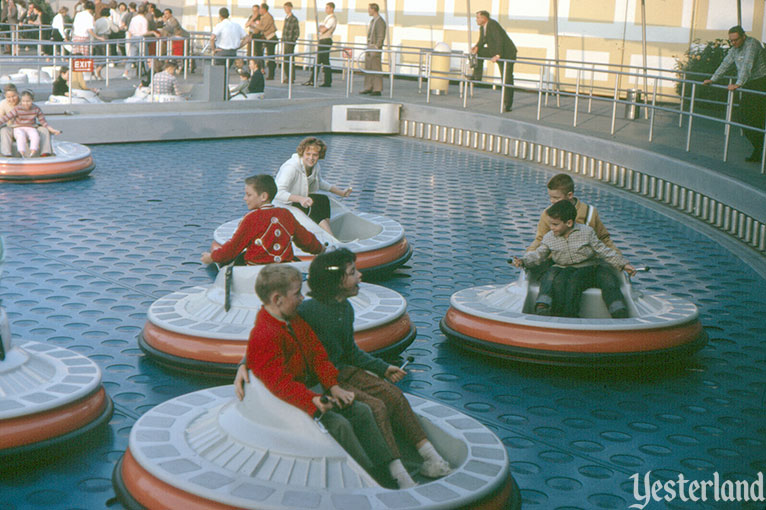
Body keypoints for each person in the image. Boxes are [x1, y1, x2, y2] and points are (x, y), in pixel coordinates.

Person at [235, 248, 453, 480]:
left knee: (393, 396)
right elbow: (265, 349)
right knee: (372, 408)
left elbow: (339, 352)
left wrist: (381, 368)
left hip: (336, 374)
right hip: (318, 384)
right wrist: (244, 363)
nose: (360, 276)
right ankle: (389, 473)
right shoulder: (306, 311)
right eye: (352, 272)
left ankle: (429, 456)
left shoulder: (337, 310)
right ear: (337, 281)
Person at [513, 200, 637, 318]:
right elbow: (539, 254)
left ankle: (618, 310)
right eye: (550, 224)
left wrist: (623, 264)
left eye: (555, 224)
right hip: (563, 268)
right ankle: (544, 306)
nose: (551, 227)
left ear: (569, 223)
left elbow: (603, 250)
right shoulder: (549, 237)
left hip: (588, 267)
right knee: (553, 277)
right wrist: (524, 261)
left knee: (607, 278)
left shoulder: (586, 232)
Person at [201, 174, 324, 266]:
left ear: (264, 196)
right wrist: (320, 249)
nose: (245, 198)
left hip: (257, 271)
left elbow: (233, 247)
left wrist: (212, 257)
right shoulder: (286, 214)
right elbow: (305, 239)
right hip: (284, 267)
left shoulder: (251, 218)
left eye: (249, 195)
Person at [703, 26, 766, 163]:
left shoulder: (752, 45)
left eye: (736, 40)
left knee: (755, 120)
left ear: (743, 36)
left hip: (760, 83)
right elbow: (725, 64)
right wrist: (713, 78)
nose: (733, 43)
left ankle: (761, 152)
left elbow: (746, 66)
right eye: (731, 41)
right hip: (749, 84)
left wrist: (738, 83)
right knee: (744, 119)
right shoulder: (735, 48)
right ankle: (760, 149)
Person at [274, 136, 352, 236]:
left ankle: (325, 233)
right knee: (312, 206)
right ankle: (331, 237)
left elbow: (319, 183)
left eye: (315, 155)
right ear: (302, 153)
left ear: (319, 155)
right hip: (285, 204)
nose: (311, 158)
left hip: (300, 199)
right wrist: (301, 199)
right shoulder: (291, 167)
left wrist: (340, 192)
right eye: (308, 154)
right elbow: (277, 192)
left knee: (323, 199)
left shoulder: (315, 166)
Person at [527, 173, 620, 253]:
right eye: (550, 197)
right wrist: (528, 256)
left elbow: (603, 238)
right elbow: (540, 239)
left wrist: (619, 259)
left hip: (584, 260)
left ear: (570, 195)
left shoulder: (589, 212)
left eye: (556, 198)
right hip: (558, 259)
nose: (552, 201)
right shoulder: (547, 213)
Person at [471, 10, 517, 112]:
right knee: (479, 52)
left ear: (484, 18)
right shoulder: (483, 27)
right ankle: (477, 77)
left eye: (478, 18)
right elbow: (482, 40)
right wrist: (476, 47)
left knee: (506, 78)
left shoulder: (493, 25)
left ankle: (507, 104)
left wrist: (498, 55)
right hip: (495, 50)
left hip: (507, 53)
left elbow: (499, 40)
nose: (476, 20)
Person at [0, 90, 61, 158]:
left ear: (32, 100)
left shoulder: (36, 109)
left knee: (42, 131)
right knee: (9, 132)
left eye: (28, 101)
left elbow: (43, 122)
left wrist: (52, 130)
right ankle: (7, 154)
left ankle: (44, 153)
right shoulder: (16, 108)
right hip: (17, 127)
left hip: (31, 127)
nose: (26, 103)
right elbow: (5, 118)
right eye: (24, 101)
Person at [304, 2, 335, 87]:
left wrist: (321, 28)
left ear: (331, 8)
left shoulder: (332, 19)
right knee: (321, 61)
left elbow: (323, 29)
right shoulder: (327, 18)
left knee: (323, 61)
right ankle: (316, 80)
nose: (326, 9)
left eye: (327, 8)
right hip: (323, 40)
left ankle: (323, 81)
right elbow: (320, 27)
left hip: (325, 40)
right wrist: (320, 27)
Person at [359, 3, 385, 96]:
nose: (368, 11)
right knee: (368, 67)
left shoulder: (380, 21)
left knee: (376, 68)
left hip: (374, 47)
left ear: (374, 9)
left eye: (369, 9)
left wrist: (377, 47)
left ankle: (377, 88)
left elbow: (381, 36)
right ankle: (368, 87)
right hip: (369, 47)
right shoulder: (372, 21)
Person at [253, 3, 277, 79]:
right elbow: (258, 29)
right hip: (267, 38)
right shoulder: (263, 17)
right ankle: (269, 74)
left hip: (271, 38)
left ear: (264, 9)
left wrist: (254, 24)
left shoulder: (268, 17)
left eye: (260, 9)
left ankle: (271, 74)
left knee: (271, 57)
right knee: (267, 56)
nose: (259, 10)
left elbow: (263, 28)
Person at [280, 2, 298, 84]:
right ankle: (288, 76)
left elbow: (296, 32)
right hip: (285, 41)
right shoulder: (286, 18)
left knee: (289, 59)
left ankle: (291, 77)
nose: (285, 10)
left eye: (286, 8)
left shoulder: (293, 19)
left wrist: (292, 40)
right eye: (284, 8)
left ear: (290, 8)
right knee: (285, 60)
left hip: (289, 42)